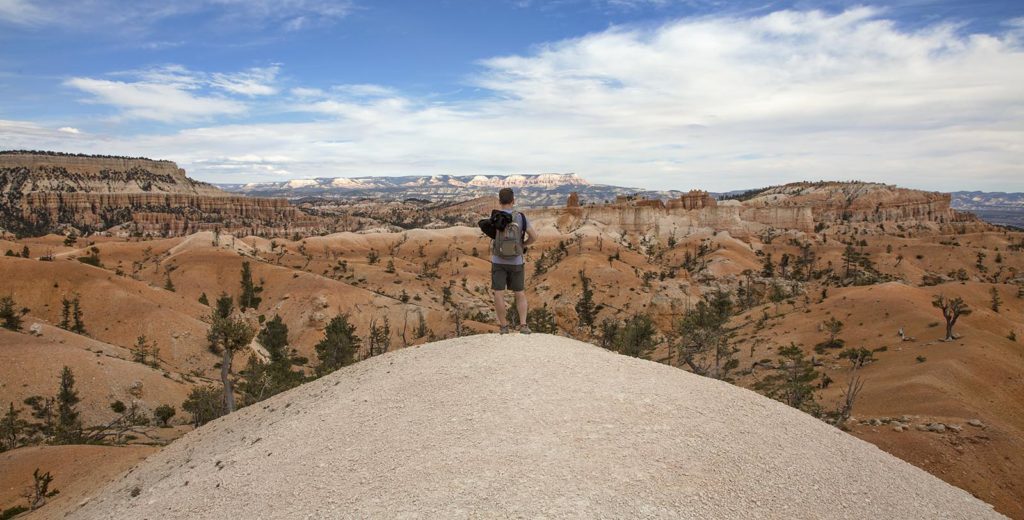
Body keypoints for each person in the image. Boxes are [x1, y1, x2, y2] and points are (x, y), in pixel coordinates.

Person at [490, 187, 537, 334]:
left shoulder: (495, 217)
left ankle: (504, 326)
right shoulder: (521, 217)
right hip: (516, 260)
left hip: (498, 260)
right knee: (519, 292)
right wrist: (523, 245)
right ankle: (523, 325)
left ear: (499, 201)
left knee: (499, 293)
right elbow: (534, 236)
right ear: (513, 200)